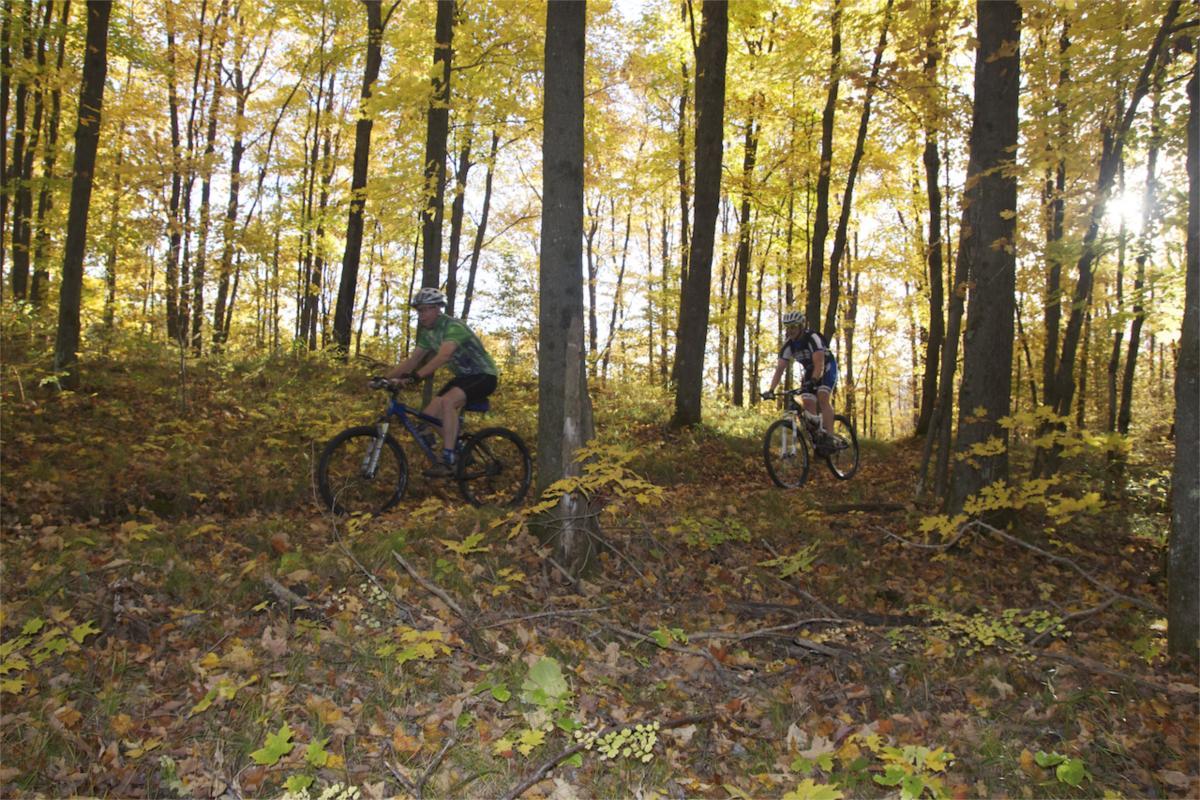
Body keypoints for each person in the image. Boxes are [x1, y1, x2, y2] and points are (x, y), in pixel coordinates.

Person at [383, 287, 499, 477]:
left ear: (437, 309)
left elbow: (444, 356)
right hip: (463, 378)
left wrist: (416, 377)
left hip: (484, 375)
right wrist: (385, 379)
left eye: (425, 310)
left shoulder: (453, 327)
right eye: (419, 311)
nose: (421, 315)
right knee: (428, 416)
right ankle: (462, 451)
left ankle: (448, 457)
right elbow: (413, 360)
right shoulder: (428, 333)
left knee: (447, 402)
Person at [762, 310, 838, 450]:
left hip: (826, 366)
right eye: (787, 328)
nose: (790, 331)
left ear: (801, 326)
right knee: (807, 400)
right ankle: (818, 438)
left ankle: (830, 437)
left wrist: (813, 381)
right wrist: (771, 390)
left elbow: (819, 364)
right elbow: (779, 369)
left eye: (793, 327)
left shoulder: (812, 338)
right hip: (810, 370)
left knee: (822, 396)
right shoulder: (788, 346)